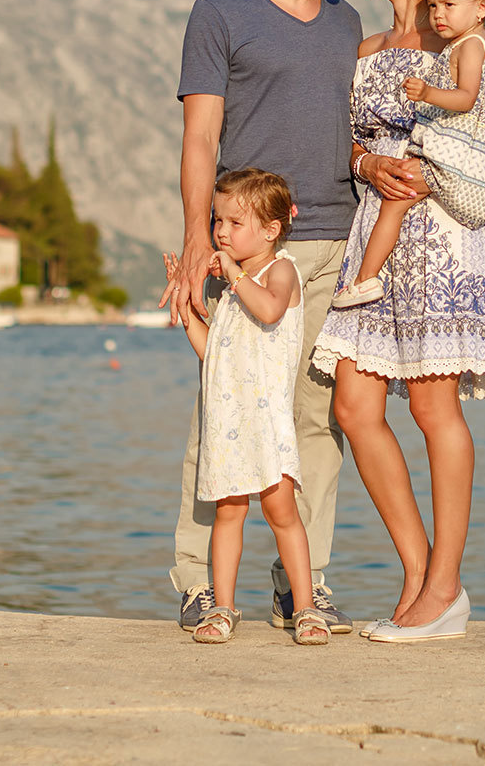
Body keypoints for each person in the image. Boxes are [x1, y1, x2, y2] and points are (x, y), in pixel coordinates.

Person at [311, 0, 485, 644]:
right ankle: (420, 574)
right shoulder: (366, 43)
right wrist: (369, 161)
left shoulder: (467, 47)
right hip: (375, 228)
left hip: (442, 233)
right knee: (354, 404)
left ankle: (444, 586)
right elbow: (345, 145)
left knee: (434, 410)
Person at [159, 0, 366, 636]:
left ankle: (302, 585)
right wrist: (195, 244)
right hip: (240, 253)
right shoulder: (220, 12)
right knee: (222, 407)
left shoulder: (346, 24)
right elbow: (201, 137)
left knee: (317, 420)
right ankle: (197, 583)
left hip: (333, 248)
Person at [168, 169, 330, 645]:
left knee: (283, 514)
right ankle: (222, 606)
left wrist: (234, 274)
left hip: (267, 424)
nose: (220, 232)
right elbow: (212, 352)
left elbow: (271, 310)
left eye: (234, 223)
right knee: (228, 515)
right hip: (228, 425)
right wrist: (188, 307)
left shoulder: (277, 272)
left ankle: (304, 607)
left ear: (271, 229)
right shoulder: (233, 293)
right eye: (218, 220)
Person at [331, 0, 485, 309]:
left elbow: (466, 97)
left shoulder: (469, 46)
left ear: (481, 7)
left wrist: (428, 93)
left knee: (395, 206)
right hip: (482, 161)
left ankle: (366, 278)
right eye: (433, 6)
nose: (438, 14)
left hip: (450, 161)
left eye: (447, 5)